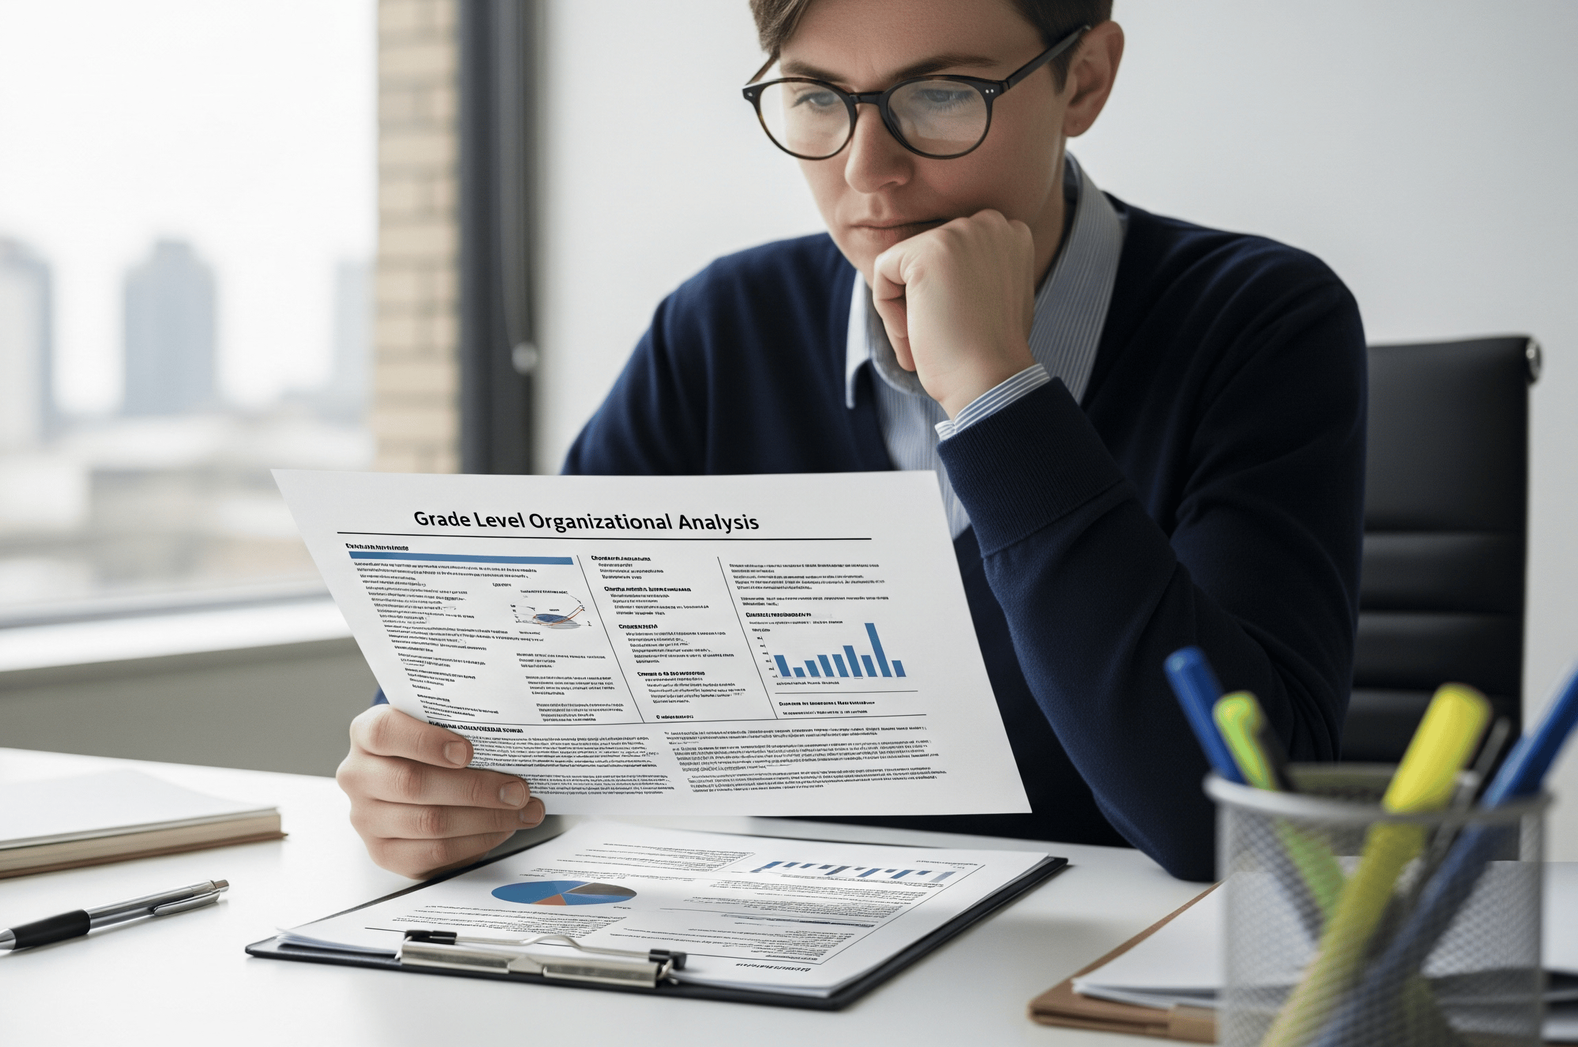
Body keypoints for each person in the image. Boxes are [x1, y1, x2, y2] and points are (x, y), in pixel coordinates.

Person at [334, 0, 1365, 883]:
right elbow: (506, 682)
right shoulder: (723, 325)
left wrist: (1000, 390)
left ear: (1084, 80)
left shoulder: (1258, 322)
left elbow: (1232, 829)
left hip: (1104, 993)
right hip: (792, 964)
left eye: (942, 95)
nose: (869, 172)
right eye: (820, 98)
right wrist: (432, 783)